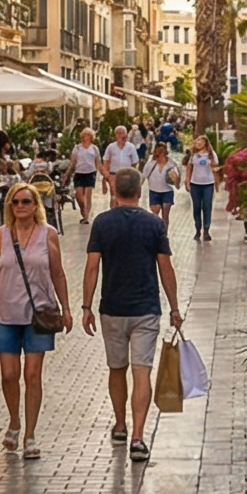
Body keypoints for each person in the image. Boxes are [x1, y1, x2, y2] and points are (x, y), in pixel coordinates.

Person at [81, 167, 181, 464]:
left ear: (116, 191)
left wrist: (86, 306)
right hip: (145, 308)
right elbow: (165, 268)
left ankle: (120, 424)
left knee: (116, 369)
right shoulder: (153, 224)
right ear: (140, 191)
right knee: (142, 372)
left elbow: (91, 267)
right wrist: (174, 308)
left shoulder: (101, 223)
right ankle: (138, 436)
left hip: (112, 307)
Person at [0, 181, 71, 461]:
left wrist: (66, 308)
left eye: (26, 202)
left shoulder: (48, 234)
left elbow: (58, 273)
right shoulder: (0, 235)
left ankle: (30, 434)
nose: (20, 207)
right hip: (6, 313)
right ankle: (14, 420)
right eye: (15, 202)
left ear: (35, 205)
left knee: (32, 375)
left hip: (40, 314)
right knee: (9, 375)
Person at [186, 136, 219, 242]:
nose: (199, 143)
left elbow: (216, 166)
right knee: (196, 207)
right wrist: (187, 181)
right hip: (195, 184)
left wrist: (212, 164)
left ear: (205, 143)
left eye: (201, 141)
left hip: (208, 184)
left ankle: (206, 229)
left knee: (207, 206)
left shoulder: (211, 154)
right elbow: (189, 168)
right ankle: (197, 229)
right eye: (197, 141)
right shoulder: (193, 155)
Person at [144, 140, 179, 230]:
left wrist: (177, 181)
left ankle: (164, 234)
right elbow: (144, 174)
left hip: (167, 191)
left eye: (162, 151)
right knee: (155, 214)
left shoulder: (171, 162)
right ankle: (156, 232)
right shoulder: (151, 161)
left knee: (165, 213)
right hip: (154, 190)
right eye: (158, 150)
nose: (160, 153)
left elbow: (177, 175)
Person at [70, 128, 101, 220]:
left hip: (90, 173)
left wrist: (102, 174)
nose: (86, 136)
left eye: (88, 134)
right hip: (79, 173)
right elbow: (73, 162)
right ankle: (83, 209)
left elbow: (98, 162)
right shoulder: (77, 148)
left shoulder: (94, 148)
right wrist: (67, 174)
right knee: (79, 196)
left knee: (88, 196)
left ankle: (86, 216)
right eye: (85, 134)